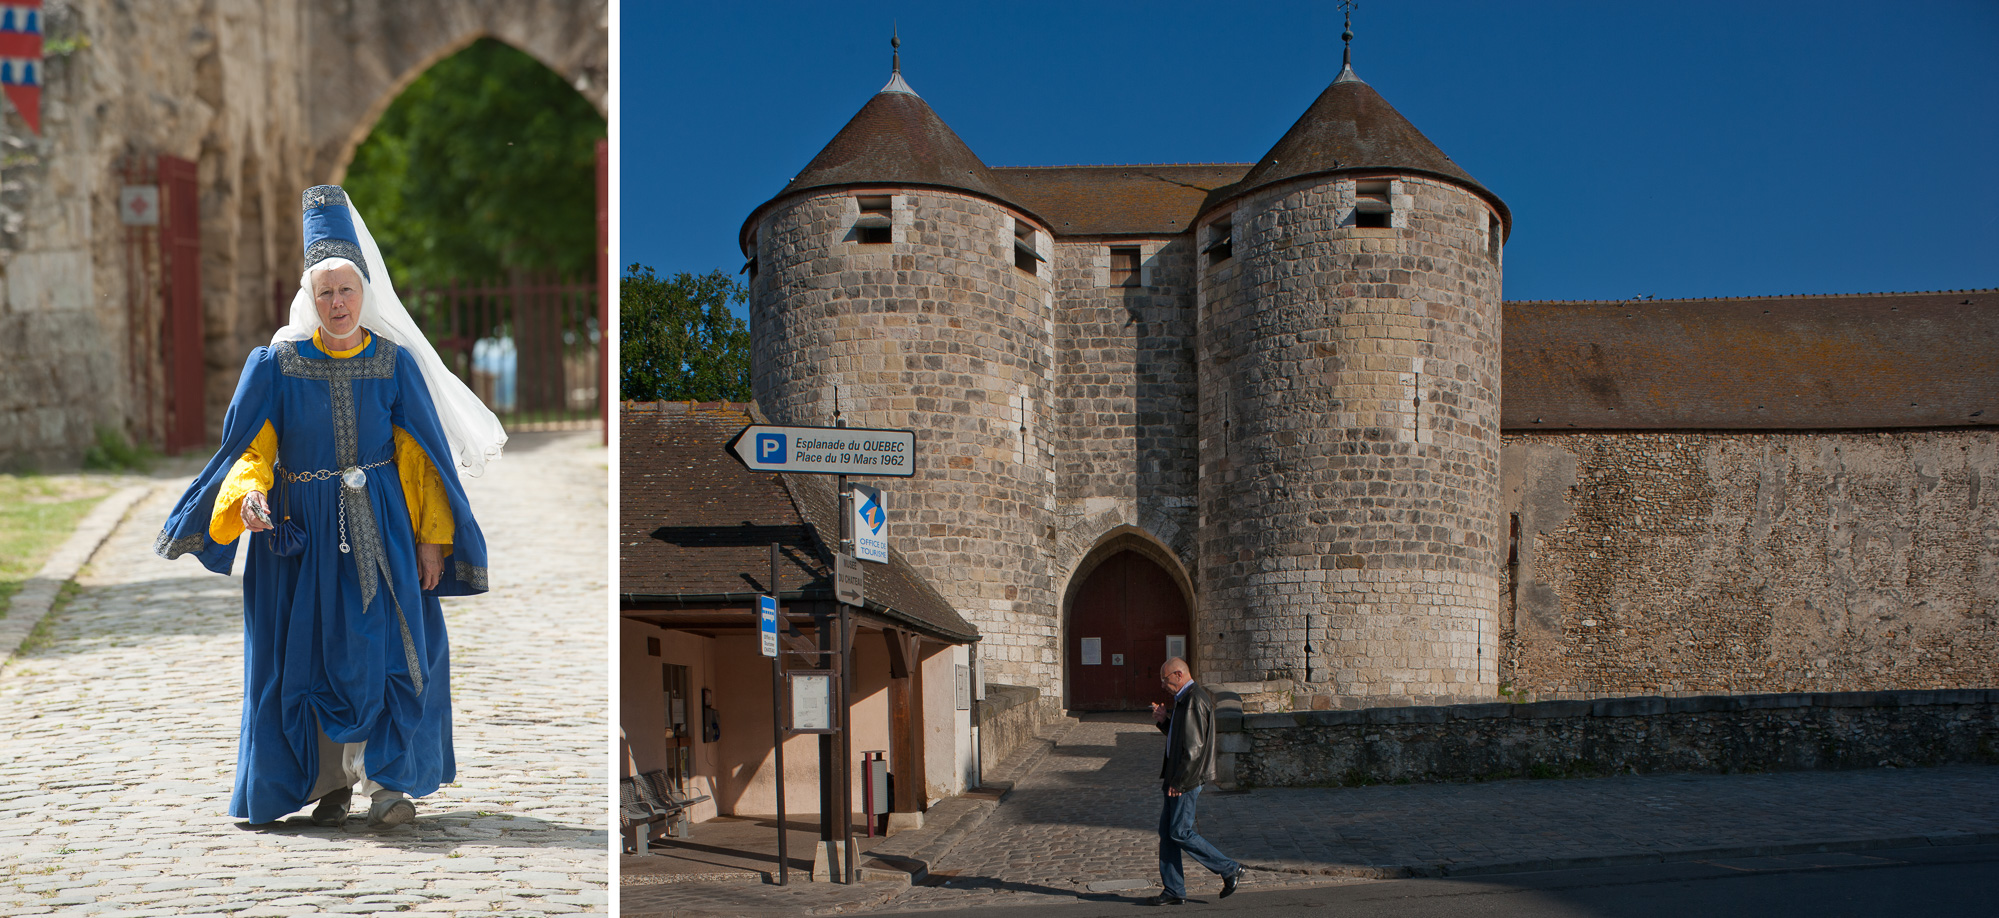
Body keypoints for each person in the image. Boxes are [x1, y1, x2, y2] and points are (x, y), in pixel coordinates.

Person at [156, 185, 506, 829]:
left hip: (384, 529)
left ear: (364, 293)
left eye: (347, 290)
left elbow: (420, 457)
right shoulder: (277, 365)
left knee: (391, 652)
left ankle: (391, 784)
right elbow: (250, 448)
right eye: (326, 293)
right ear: (308, 299)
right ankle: (324, 785)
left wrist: (432, 537)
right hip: (299, 530)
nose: (338, 303)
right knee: (305, 654)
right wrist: (250, 495)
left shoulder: (393, 364)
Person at [1144, 657, 1243, 905]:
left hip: (1186, 779)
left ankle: (1229, 869)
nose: (1163, 685)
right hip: (1176, 777)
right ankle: (1173, 890)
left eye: (1165, 680)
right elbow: (1181, 740)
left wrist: (1179, 782)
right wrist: (1164, 721)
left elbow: (1194, 749)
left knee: (1180, 831)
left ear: (1178, 674)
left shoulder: (1193, 700)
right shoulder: (1184, 700)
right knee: (1168, 834)